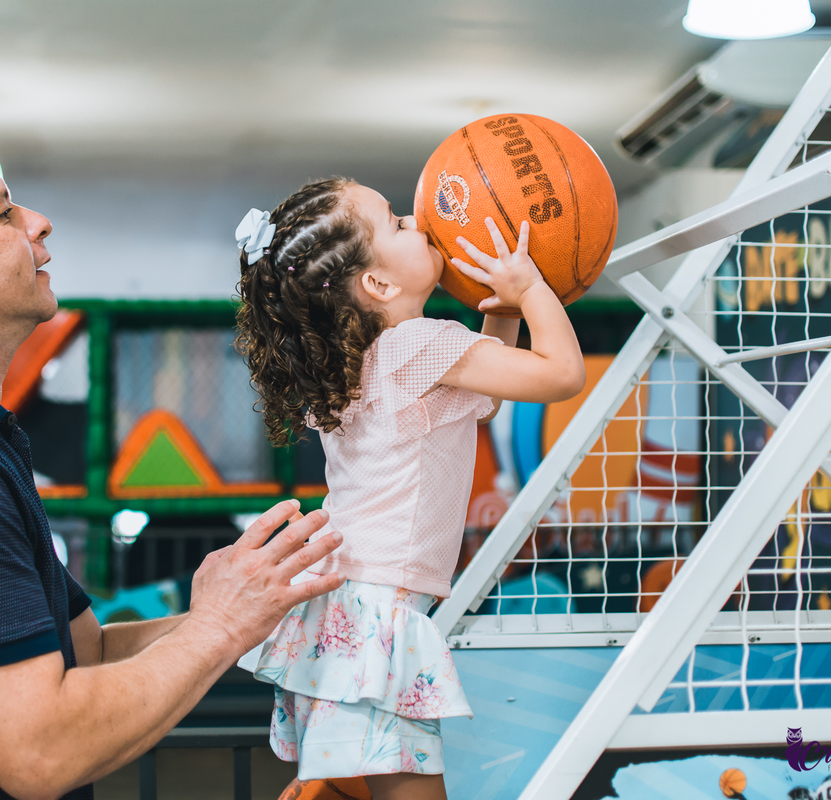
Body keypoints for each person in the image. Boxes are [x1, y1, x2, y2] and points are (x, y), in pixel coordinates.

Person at [0, 119, 345, 800]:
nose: (39, 223)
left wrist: (257, 606)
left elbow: (87, 652)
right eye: (4, 212)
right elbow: (42, 752)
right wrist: (220, 627)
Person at [233, 178, 586, 800]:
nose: (416, 220)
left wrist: (496, 309)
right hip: (378, 609)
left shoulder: (365, 360)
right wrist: (529, 287)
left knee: (349, 784)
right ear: (379, 285)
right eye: (396, 222)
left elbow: (483, 402)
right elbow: (561, 375)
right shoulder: (417, 346)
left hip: (345, 602)